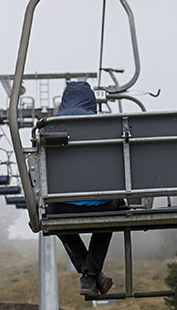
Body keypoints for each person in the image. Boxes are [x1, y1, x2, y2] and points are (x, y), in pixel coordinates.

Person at [49, 81, 122, 298]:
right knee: (110, 215)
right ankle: (91, 274)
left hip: (63, 207)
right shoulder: (103, 125)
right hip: (102, 204)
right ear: (91, 101)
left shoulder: (49, 127)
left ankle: (89, 274)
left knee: (54, 219)